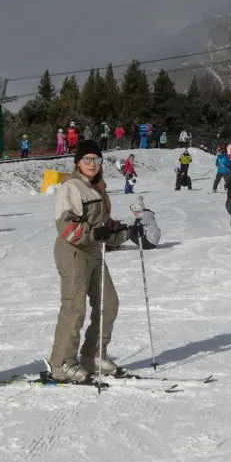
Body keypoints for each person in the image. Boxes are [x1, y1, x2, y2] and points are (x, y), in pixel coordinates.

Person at [48, 139, 132, 382]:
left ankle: (92, 355)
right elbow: (65, 226)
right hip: (73, 250)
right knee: (74, 308)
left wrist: (128, 231)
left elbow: (103, 226)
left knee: (109, 303)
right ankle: (63, 363)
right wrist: (93, 234)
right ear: (78, 162)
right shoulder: (72, 187)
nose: (92, 163)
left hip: (94, 250)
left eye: (96, 159)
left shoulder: (96, 187)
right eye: (87, 159)